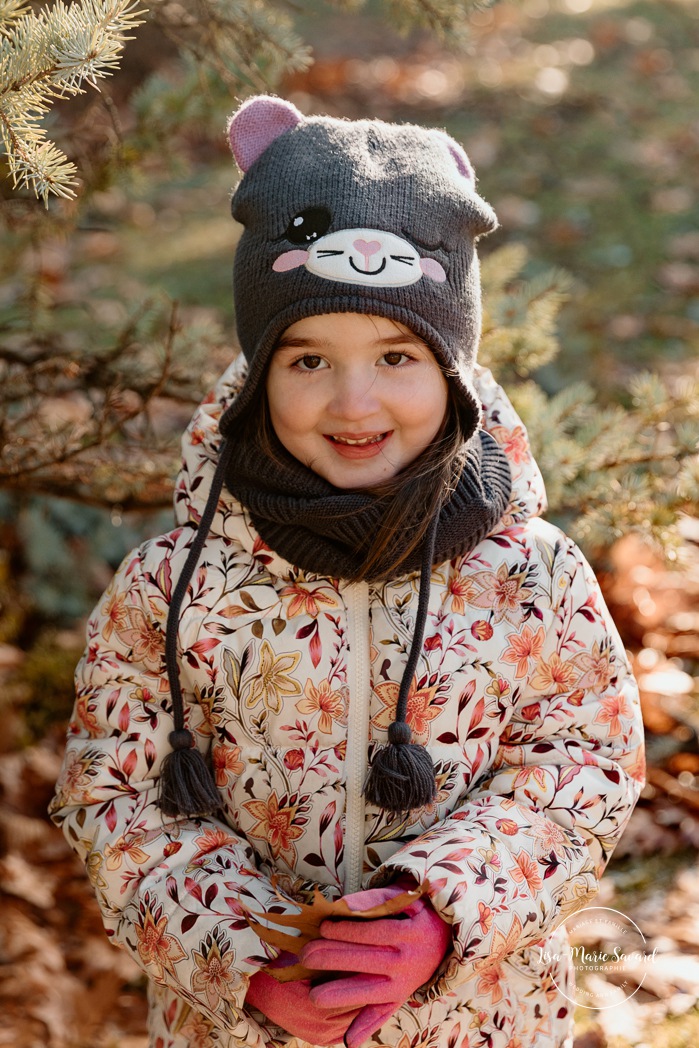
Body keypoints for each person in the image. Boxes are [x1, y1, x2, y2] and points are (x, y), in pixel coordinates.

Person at [50, 95, 645, 1048]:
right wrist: (244, 951)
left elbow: (581, 766)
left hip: (475, 1017)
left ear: (452, 371)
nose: (354, 400)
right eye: (309, 359)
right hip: (243, 1026)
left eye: (398, 354)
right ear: (258, 375)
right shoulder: (171, 589)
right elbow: (112, 794)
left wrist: (442, 911)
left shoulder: (532, 577)